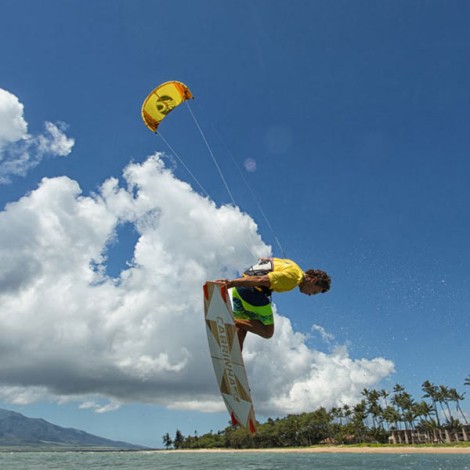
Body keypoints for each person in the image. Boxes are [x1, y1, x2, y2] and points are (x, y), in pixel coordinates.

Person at [218, 258, 331, 350]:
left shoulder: (293, 265)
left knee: (245, 325)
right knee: (267, 331)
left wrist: (263, 260)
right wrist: (230, 283)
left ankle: (234, 358)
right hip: (253, 292)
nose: (311, 294)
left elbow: (269, 260)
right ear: (312, 280)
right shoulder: (293, 278)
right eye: (314, 291)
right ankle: (228, 320)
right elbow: (261, 280)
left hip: (239, 291)